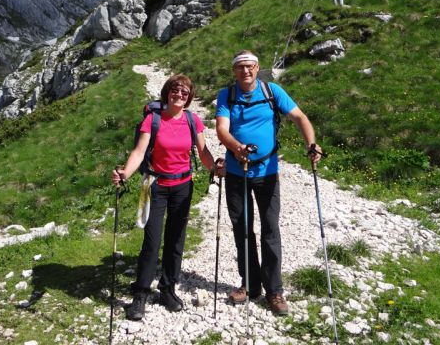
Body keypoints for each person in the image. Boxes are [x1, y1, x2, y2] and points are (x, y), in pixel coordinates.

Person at [215, 50, 322, 315]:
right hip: (237, 172)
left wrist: (312, 143)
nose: (246, 71)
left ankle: (274, 290)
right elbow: (221, 129)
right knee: (242, 229)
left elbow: (300, 117)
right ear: (235, 71)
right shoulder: (226, 94)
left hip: (267, 172)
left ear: (257, 67)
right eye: (240, 68)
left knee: (270, 229)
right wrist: (237, 148)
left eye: (250, 67)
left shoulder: (272, 91)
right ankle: (250, 285)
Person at [112, 74, 223, 321]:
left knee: (176, 240)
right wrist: (125, 174)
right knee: (151, 242)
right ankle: (140, 294)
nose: (179, 95)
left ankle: (167, 289)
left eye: (185, 93)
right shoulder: (153, 120)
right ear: (166, 93)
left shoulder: (193, 121)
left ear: (190, 97)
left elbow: (203, 152)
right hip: (155, 186)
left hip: (183, 187)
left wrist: (215, 168)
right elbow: (139, 152)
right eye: (175, 91)